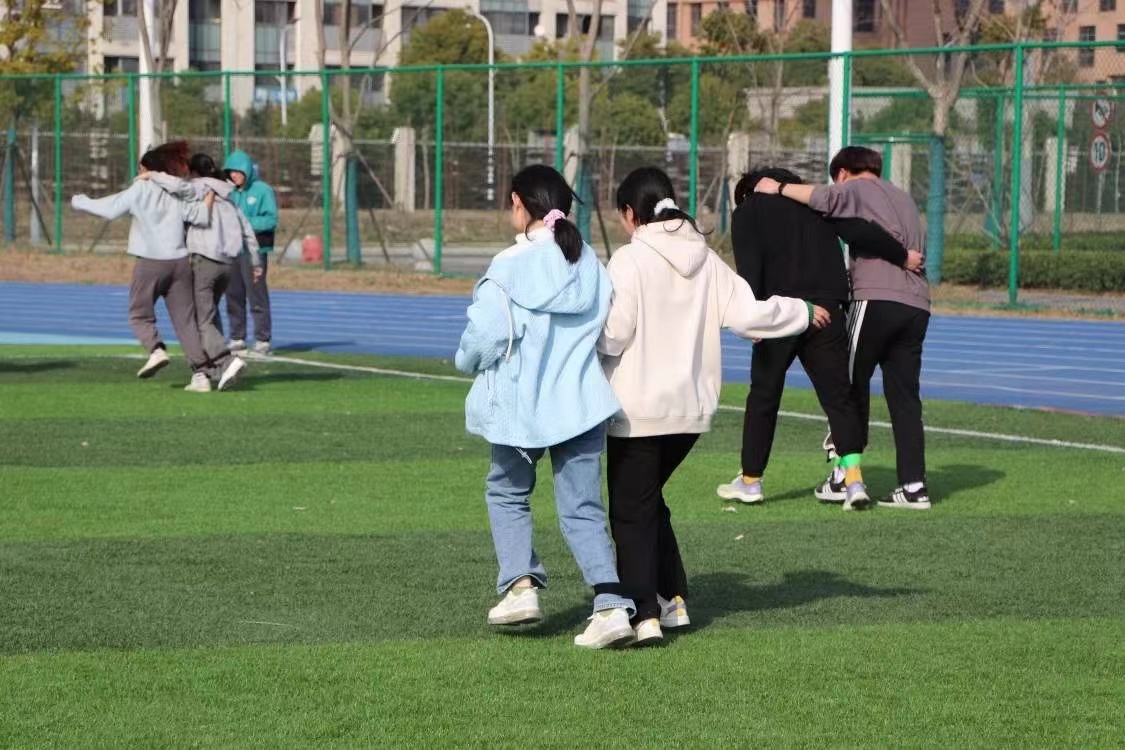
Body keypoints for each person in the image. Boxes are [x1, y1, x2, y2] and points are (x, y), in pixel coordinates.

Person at [599, 166, 828, 645]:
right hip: (691, 412)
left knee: (629, 510)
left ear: (630, 213)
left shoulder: (629, 259)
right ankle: (672, 598)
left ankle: (643, 614)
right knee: (647, 501)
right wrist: (801, 310)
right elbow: (749, 315)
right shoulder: (706, 259)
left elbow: (614, 334)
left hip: (637, 410)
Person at [454, 164, 636, 650]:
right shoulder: (588, 261)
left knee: (507, 492)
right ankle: (611, 604)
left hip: (523, 408)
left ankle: (520, 587)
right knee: (583, 508)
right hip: (581, 402)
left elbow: (486, 335)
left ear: (519, 203)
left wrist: (464, 361)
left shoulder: (508, 265)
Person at [719, 167, 913, 511]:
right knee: (839, 398)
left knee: (764, 396)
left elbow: (750, 271)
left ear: (747, 193)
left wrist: (755, 321)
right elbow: (861, 231)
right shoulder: (814, 205)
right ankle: (853, 481)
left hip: (781, 312)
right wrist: (902, 256)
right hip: (827, 310)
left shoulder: (748, 212)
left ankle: (750, 481)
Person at [71, 141, 216, 392]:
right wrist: (212, 193)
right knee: (185, 321)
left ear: (147, 169)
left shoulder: (140, 189)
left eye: (140, 168)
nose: (138, 172)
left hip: (151, 262)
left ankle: (156, 349)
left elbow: (111, 209)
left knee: (139, 314)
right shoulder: (174, 192)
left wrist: (80, 201)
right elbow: (201, 216)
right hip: (180, 262)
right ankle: (201, 375)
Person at [147, 153, 261, 391]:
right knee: (211, 315)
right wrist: (255, 263)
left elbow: (177, 186)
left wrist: (151, 174)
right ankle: (215, 371)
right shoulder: (228, 198)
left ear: (194, 171)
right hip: (227, 265)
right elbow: (247, 231)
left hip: (204, 261)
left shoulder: (200, 187)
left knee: (201, 319)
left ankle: (226, 361)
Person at [222, 150, 277, 356]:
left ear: (246, 171)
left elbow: (271, 220)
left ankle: (262, 339)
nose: (233, 175)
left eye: (237, 171)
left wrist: (244, 223)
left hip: (254, 252)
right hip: (231, 250)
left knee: (257, 294)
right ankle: (237, 337)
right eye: (230, 172)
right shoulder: (227, 191)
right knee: (233, 294)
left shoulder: (263, 191)